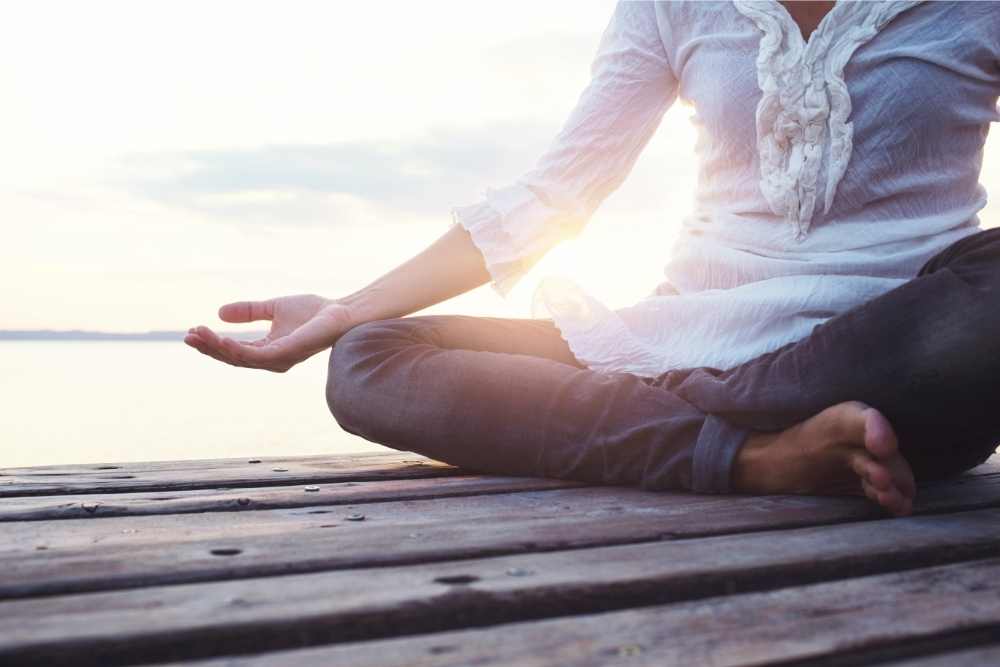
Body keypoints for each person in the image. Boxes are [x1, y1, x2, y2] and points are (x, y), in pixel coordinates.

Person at [186, 1, 1000, 517]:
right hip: (692, 341)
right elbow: (554, 195)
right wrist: (345, 310)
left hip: (896, 352)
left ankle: (711, 419)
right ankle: (754, 456)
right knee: (370, 357)